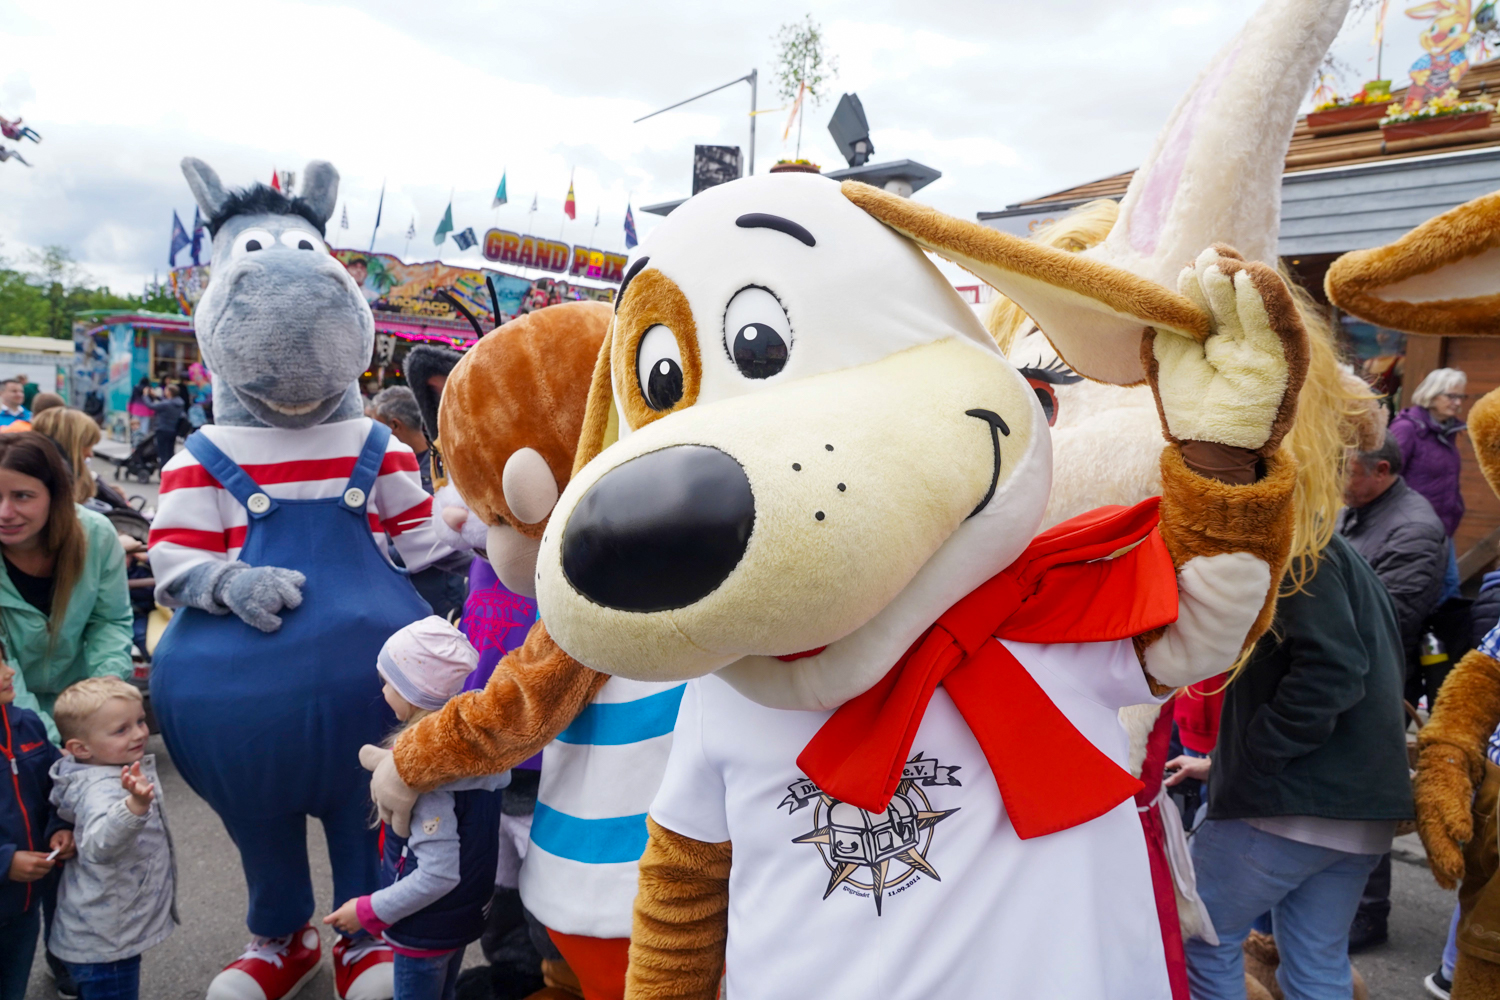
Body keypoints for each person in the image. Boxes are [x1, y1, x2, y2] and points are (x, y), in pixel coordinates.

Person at [325, 618, 504, 1000]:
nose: (382, 690)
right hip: (459, 918)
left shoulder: (425, 779)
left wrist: (369, 910)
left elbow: (438, 874)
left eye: (389, 682)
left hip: (424, 930)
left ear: (413, 693)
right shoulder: (477, 751)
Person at [48, 677, 176, 1000]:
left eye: (140, 721)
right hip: (106, 943)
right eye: (121, 730)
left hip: (104, 931)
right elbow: (98, 847)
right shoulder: (101, 790)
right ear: (81, 748)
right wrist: (134, 807)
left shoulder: (101, 769)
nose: (139, 733)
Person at [0, 432, 133, 742]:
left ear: (55, 495)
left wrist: (103, 695)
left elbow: (109, 621)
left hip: (79, 705)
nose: (5, 512)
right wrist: (49, 743)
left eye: (22, 496)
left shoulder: (96, 535)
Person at [0, 652, 74, 1000]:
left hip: (24, 904)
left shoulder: (27, 724)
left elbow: (54, 789)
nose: (8, 672)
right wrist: (5, 861)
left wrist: (60, 826)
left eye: (3, 660)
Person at [371, 386, 468, 620]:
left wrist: (374, 550)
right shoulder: (377, 466)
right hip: (399, 590)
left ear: (395, 425)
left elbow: (442, 535)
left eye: (376, 424)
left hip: (437, 594)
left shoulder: (445, 469)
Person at [143, 386, 185, 473]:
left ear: (169, 392)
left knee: (163, 454)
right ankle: (171, 471)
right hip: (173, 430)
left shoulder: (167, 404)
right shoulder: (179, 403)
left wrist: (145, 396)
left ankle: (164, 472)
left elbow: (151, 405)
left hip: (162, 430)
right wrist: (156, 396)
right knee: (170, 453)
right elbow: (167, 402)